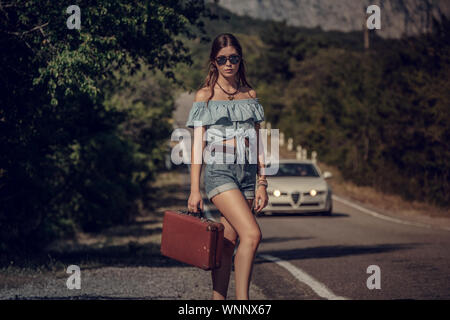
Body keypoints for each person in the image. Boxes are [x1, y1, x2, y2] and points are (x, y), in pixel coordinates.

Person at [185, 33, 269, 300]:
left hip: (246, 174)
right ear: (214, 62)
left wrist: (262, 182)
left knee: (228, 242)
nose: (228, 64)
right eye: (222, 59)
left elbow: (258, 143)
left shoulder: (250, 94)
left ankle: (217, 301)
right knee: (252, 234)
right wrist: (194, 190)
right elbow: (197, 146)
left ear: (240, 59)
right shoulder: (205, 97)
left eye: (233, 58)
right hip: (220, 170)